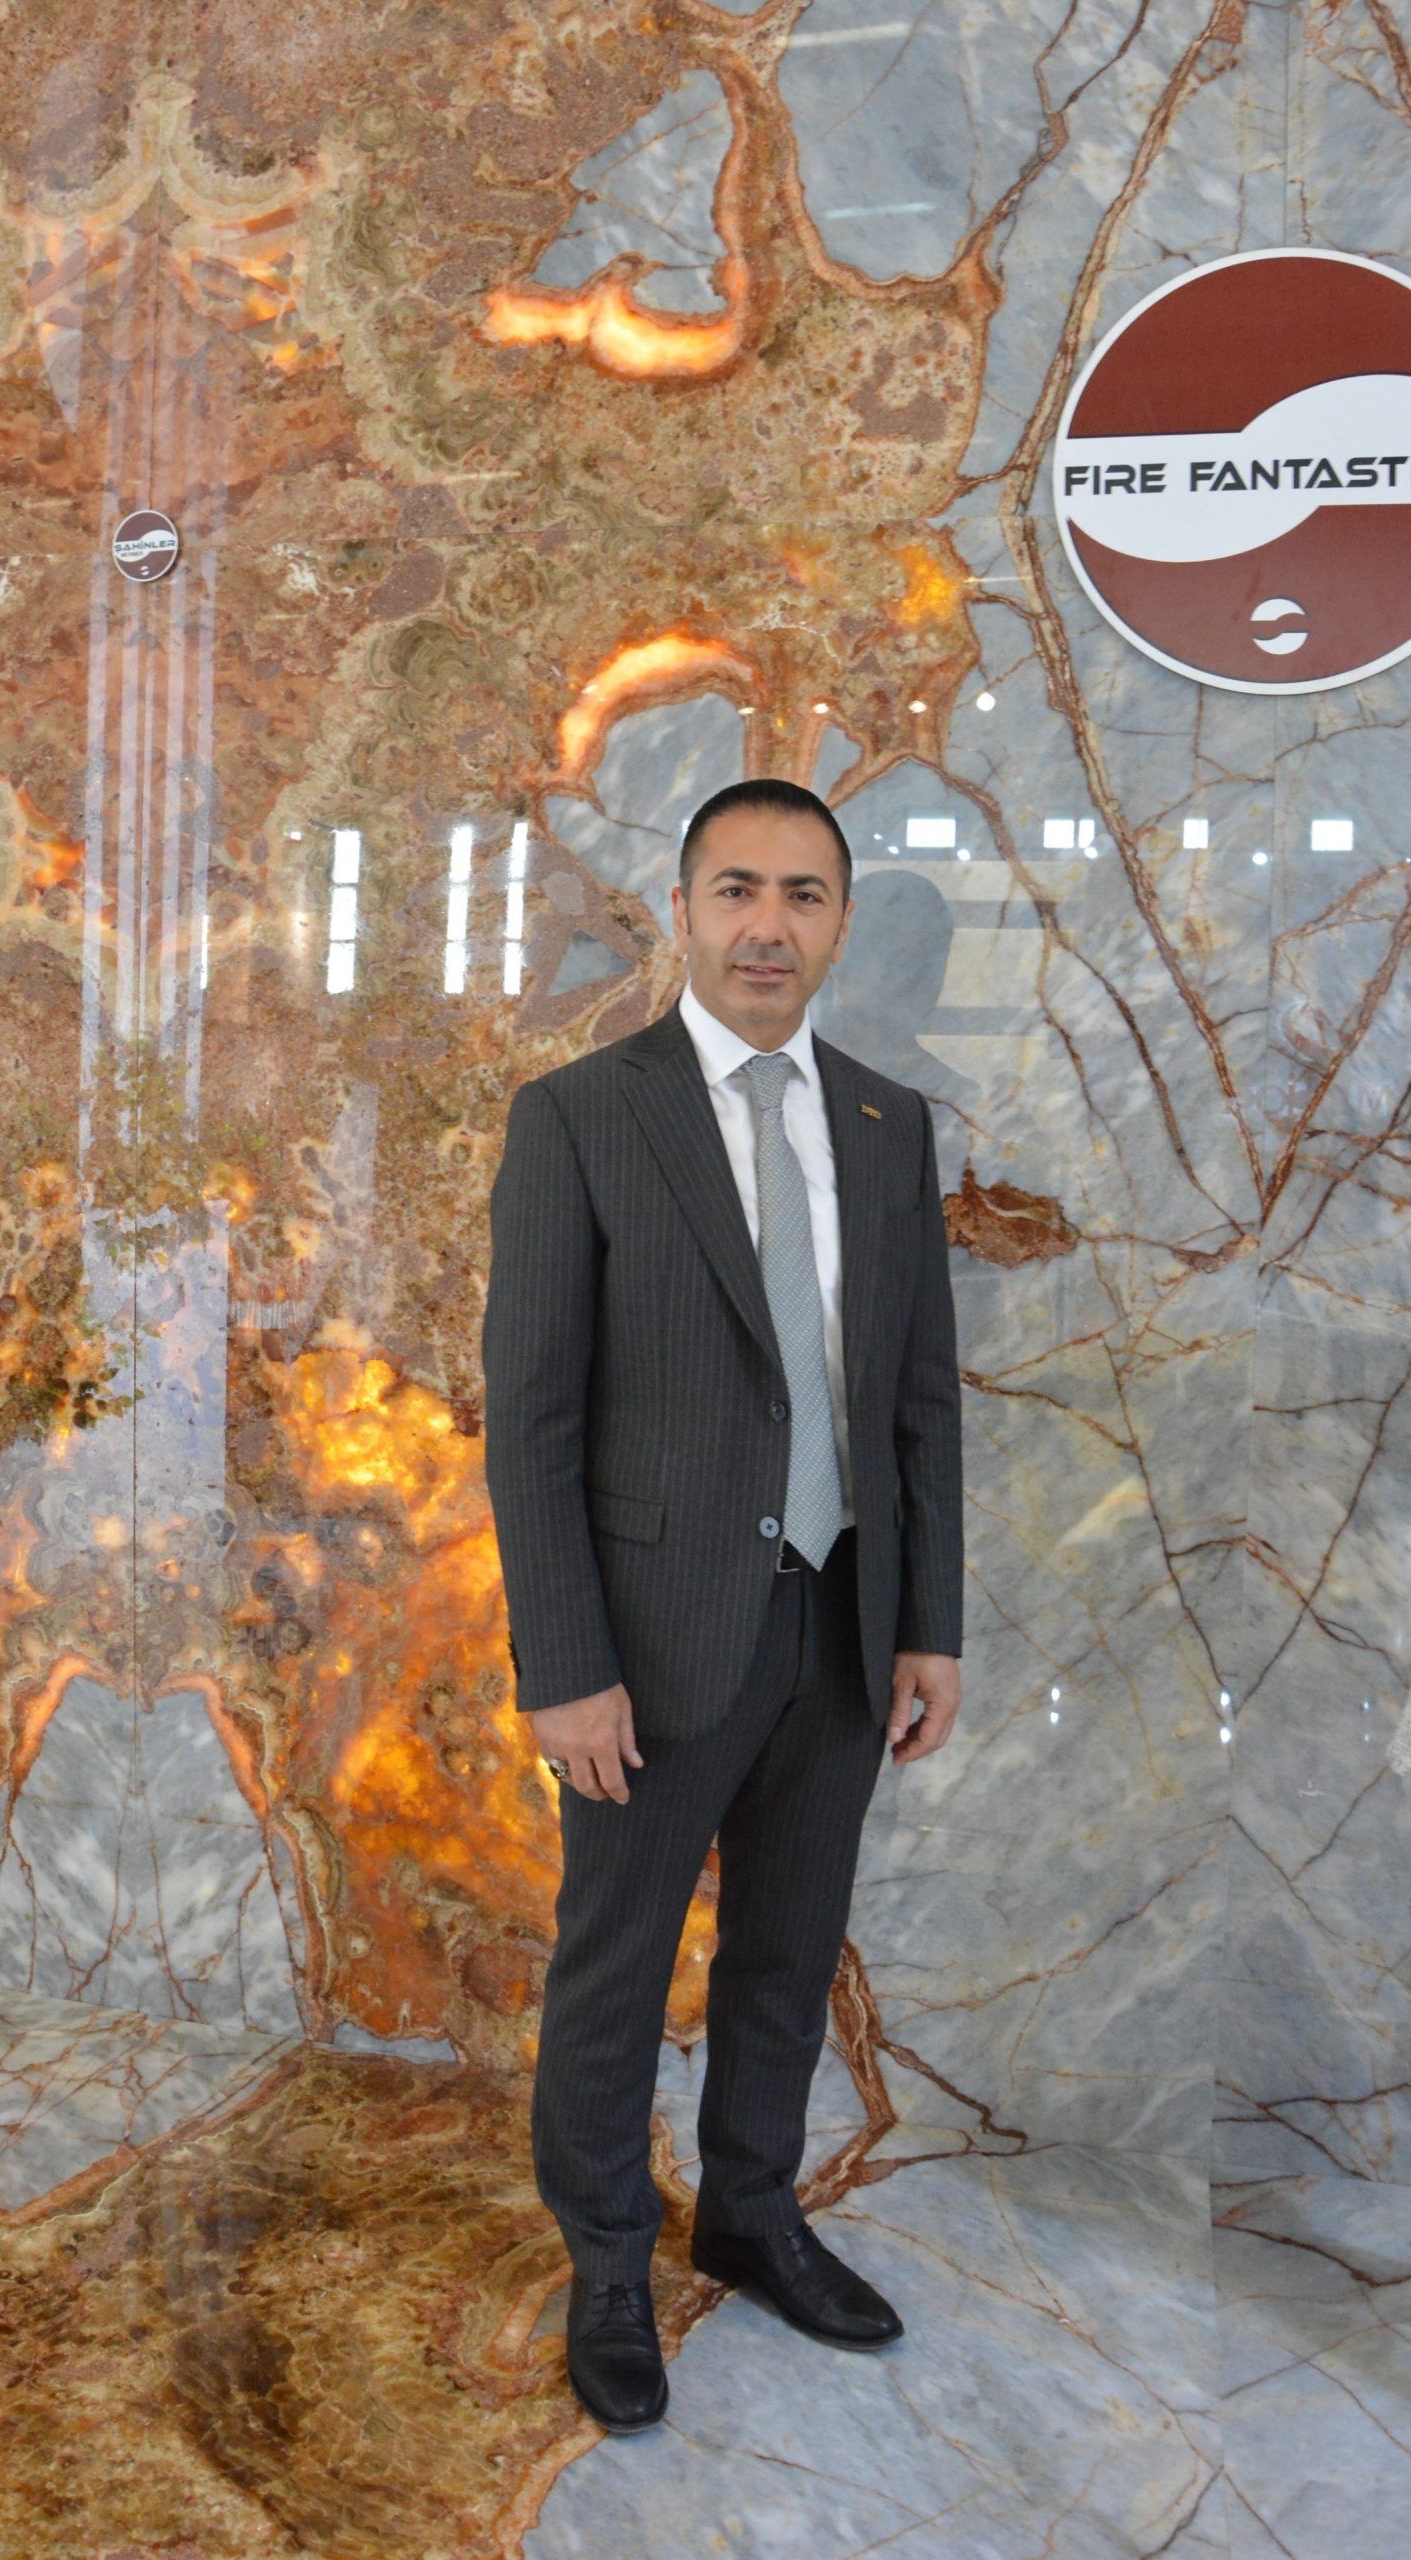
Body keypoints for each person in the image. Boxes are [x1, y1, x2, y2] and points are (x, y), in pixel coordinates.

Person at [481, 777, 964, 2431]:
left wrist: (929, 1621)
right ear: (683, 911)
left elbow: (919, 1402)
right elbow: (532, 1418)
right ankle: (610, 2260)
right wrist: (564, 1663)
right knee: (616, 1968)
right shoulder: (581, 1117)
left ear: (840, 924)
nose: (770, 924)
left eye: (803, 895)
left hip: (843, 1624)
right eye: (738, 889)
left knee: (787, 1951)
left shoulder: (889, 1127)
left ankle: (751, 2215)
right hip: (650, 1642)